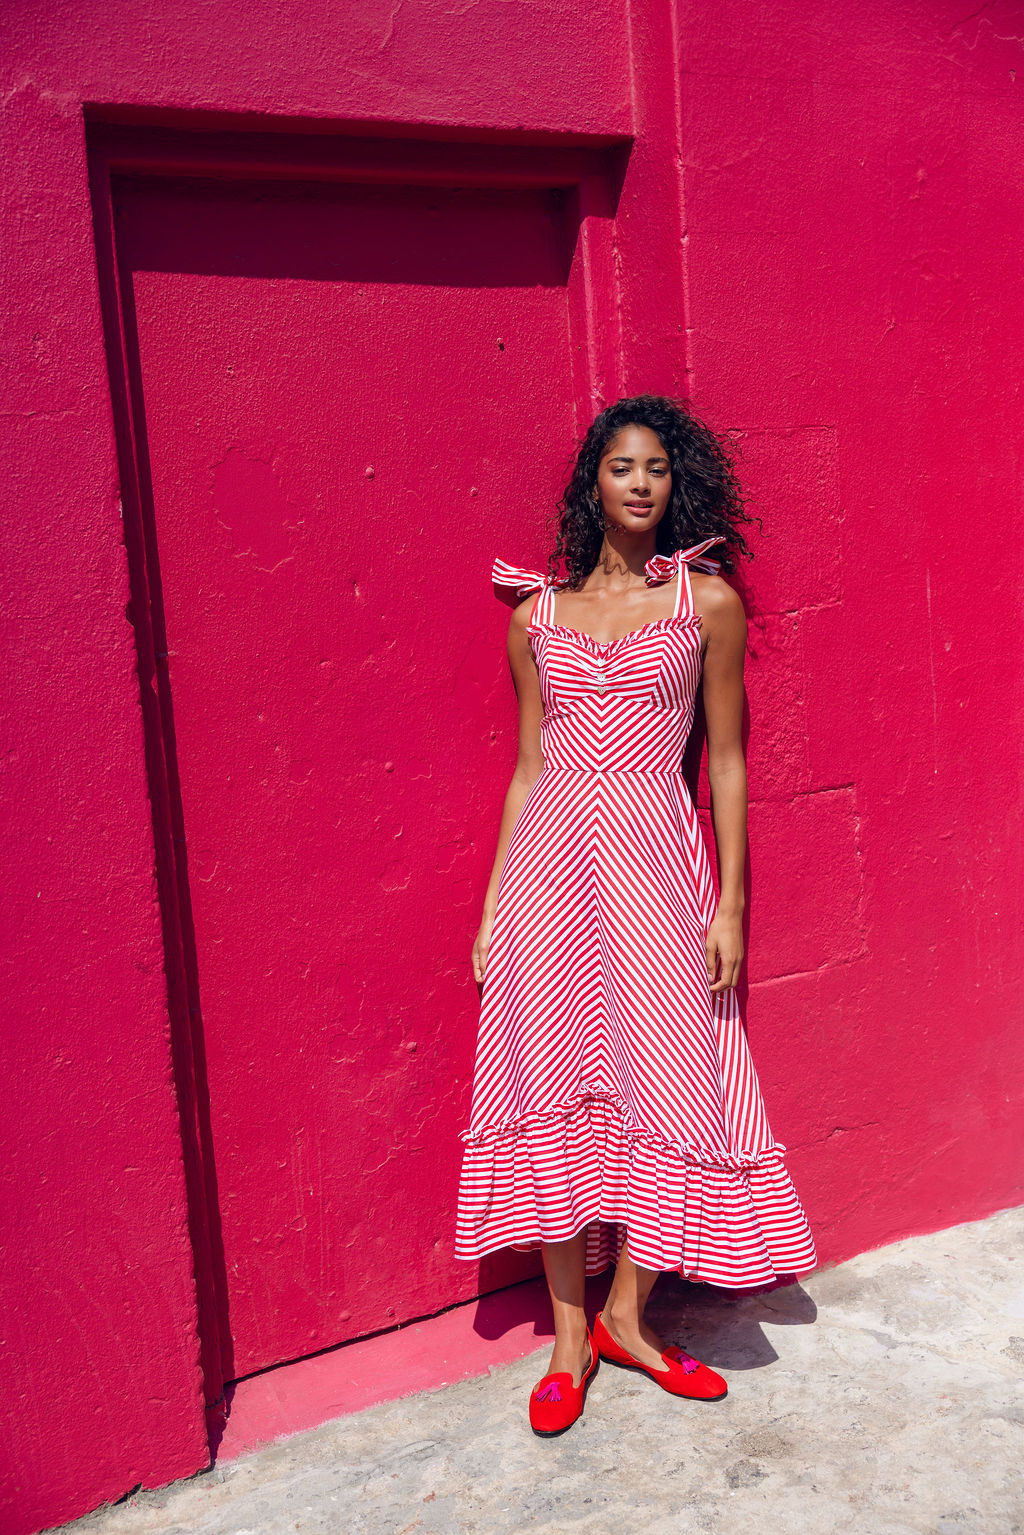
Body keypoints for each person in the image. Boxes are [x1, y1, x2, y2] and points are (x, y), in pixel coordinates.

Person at [454, 395, 816, 1435]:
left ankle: (629, 1317)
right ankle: (571, 1336)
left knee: (675, 1084)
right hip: (546, 879)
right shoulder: (537, 616)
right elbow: (528, 767)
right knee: (549, 1077)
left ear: (676, 484)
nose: (642, 483)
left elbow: (729, 761)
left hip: (660, 872)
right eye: (623, 466)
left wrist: (733, 901)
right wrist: (491, 905)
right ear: (593, 484)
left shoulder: (706, 606)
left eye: (658, 466)